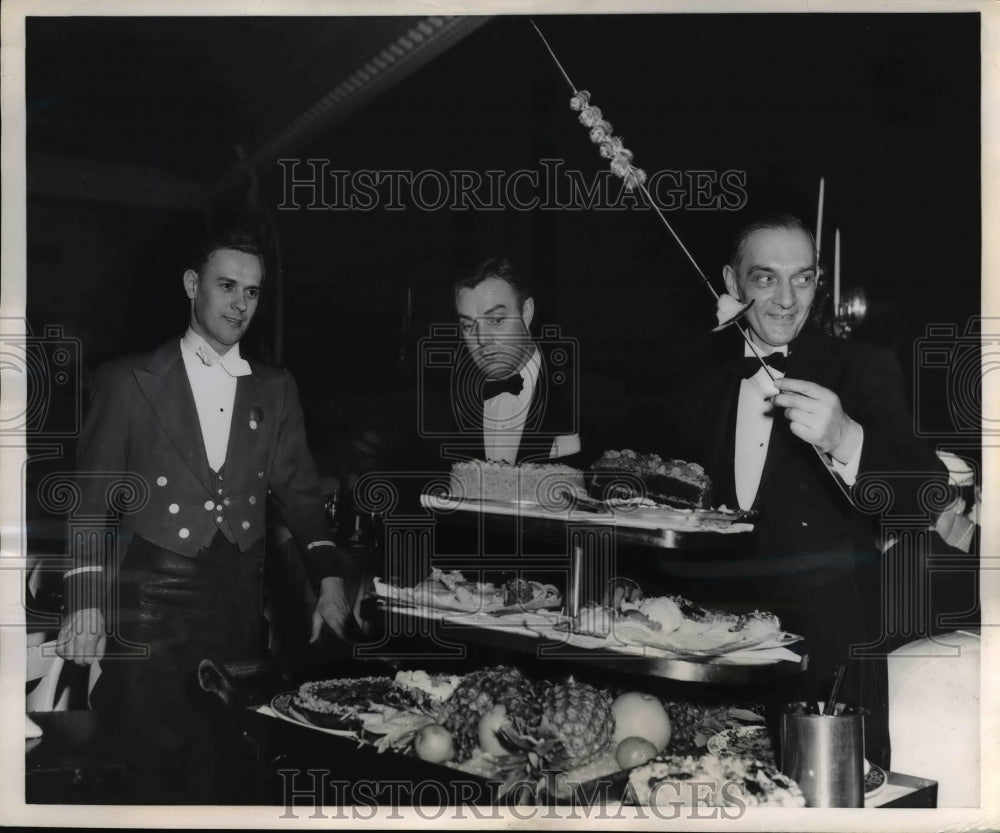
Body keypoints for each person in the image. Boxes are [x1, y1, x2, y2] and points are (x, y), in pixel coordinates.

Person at [55, 228, 351, 801]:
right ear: (193, 286)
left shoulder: (276, 389)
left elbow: (303, 499)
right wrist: (85, 603)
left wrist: (331, 583)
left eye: (253, 291)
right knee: (144, 762)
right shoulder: (127, 380)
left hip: (237, 603)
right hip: (147, 603)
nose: (241, 303)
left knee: (224, 762)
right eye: (227, 285)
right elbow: (89, 504)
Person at [666, 212, 948, 769]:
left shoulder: (863, 367)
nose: (788, 299)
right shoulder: (701, 377)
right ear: (731, 282)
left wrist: (847, 438)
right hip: (720, 660)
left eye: (804, 278)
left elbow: (927, 495)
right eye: (766, 277)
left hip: (828, 657)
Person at [450, 257, 580, 466]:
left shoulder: (582, 395)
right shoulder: (450, 403)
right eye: (467, 326)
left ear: (526, 313)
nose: (482, 339)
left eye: (496, 320)